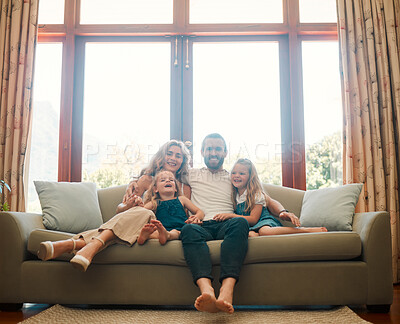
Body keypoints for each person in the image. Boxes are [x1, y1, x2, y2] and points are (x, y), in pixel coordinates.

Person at [37, 140, 192, 272]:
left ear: (183, 161)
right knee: (142, 213)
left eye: (178, 156)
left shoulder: (185, 188)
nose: (173, 158)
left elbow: (183, 215)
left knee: (140, 217)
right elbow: (121, 211)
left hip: (156, 229)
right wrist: (130, 205)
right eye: (169, 153)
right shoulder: (146, 180)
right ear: (161, 157)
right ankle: (86, 247)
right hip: (136, 223)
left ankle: (71, 244)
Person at [180, 133, 249, 315]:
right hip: (201, 224)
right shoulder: (191, 174)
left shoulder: (234, 177)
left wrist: (283, 211)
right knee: (187, 229)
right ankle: (207, 291)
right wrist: (135, 182)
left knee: (240, 222)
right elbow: (162, 171)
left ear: (225, 153)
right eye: (209, 148)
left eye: (218, 148)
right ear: (202, 151)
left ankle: (227, 291)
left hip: (226, 223)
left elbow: (262, 195)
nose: (213, 152)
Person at [214, 158, 327, 236]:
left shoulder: (256, 194)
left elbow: (253, 219)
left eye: (242, 173)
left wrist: (230, 216)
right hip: (247, 226)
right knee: (249, 235)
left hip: (263, 222)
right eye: (233, 173)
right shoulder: (235, 194)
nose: (236, 176)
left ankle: (305, 231)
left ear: (250, 177)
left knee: (264, 232)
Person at [137, 170, 204, 245]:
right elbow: (141, 212)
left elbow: (200, 211)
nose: (168, 180)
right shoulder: (154, 202)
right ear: (155, 189)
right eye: (163, 180)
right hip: (161, 228)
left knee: (176, 232)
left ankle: (167, 235)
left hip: (181, 228)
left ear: (175, 188)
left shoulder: (182, 199)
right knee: (155, 232)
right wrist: (138, 205)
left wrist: (196, 217)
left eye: (171, 180)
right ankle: (144, 237)